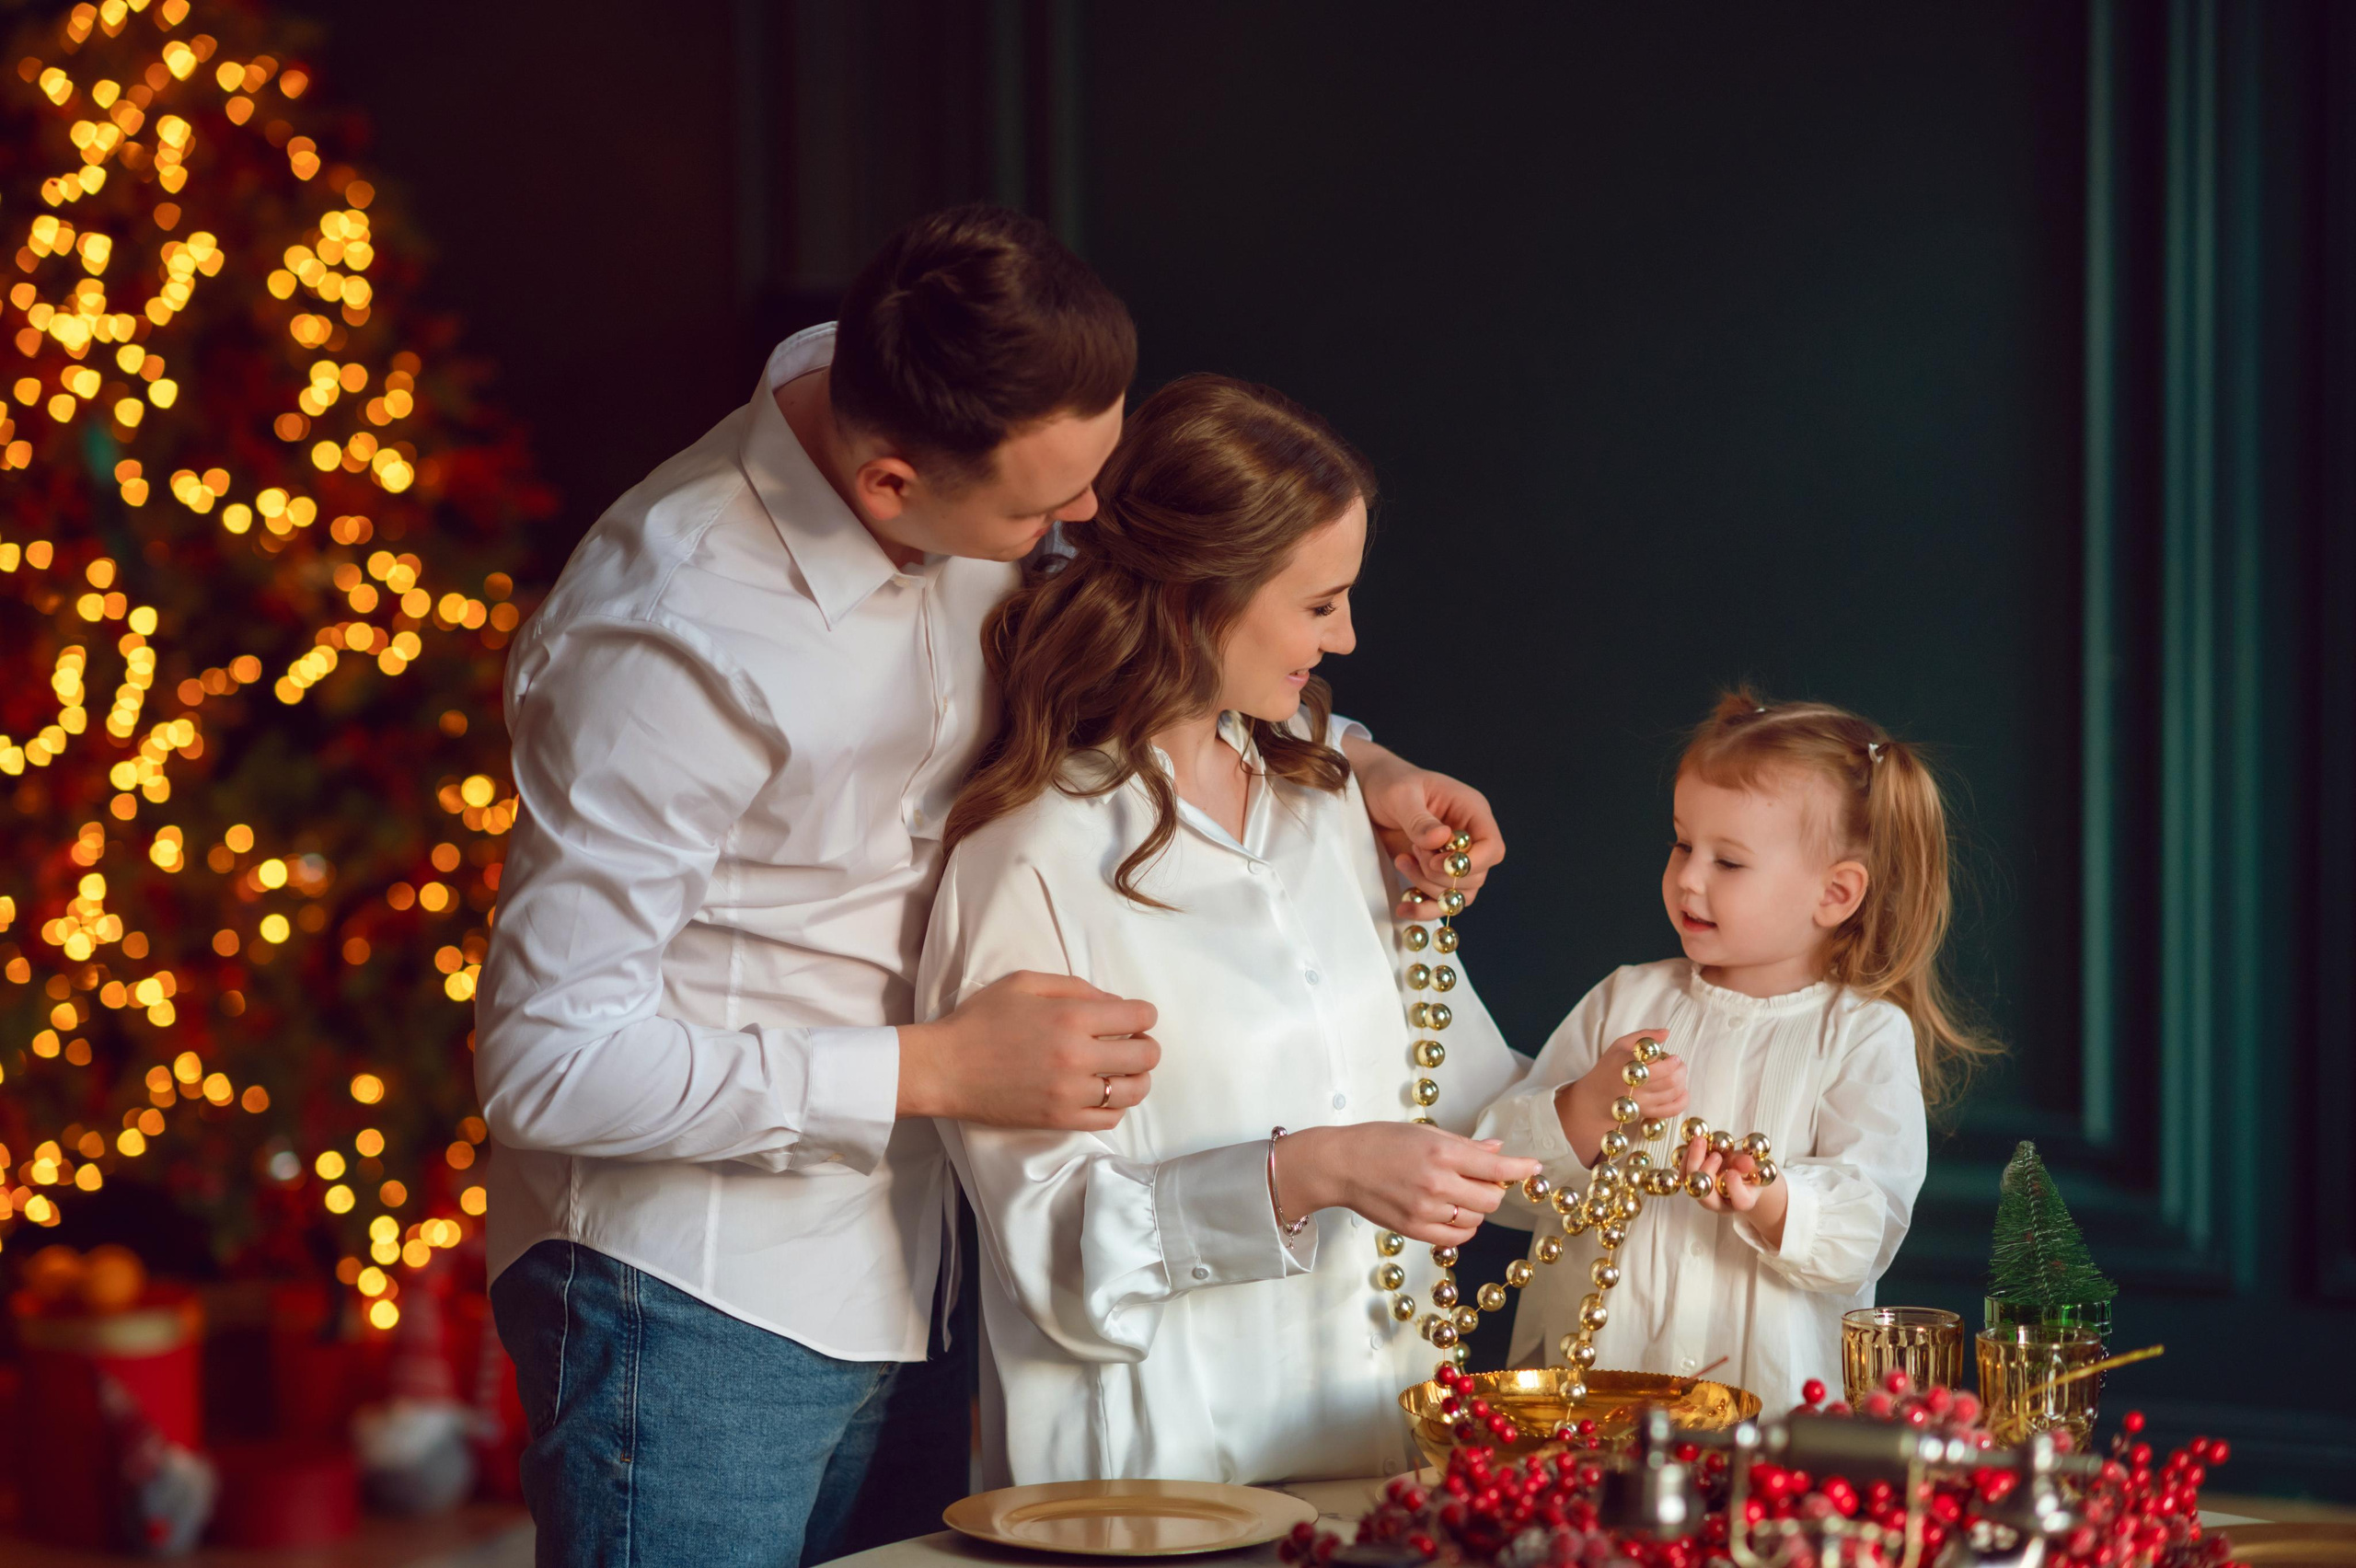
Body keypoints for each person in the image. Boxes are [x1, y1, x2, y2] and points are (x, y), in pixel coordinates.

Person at [477, 206, 1505, 1568]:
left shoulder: (958, 394)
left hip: (928, 1269)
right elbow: (547, 1066)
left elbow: (1156, 624)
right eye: (1042, 513)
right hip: (695, 1293)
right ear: (891, 483)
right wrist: (930, 1071)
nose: (1084, 526)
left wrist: (1360, 762)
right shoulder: (663, 642)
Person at [918, 374, 1537, 1490]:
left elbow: (1452, 1091)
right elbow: (1056, 1258)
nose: (1345, 635)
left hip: (1376, 1459)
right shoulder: (1030, 858)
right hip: (1160, 1486)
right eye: (1317, 604)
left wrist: (1607, 1109)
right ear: (1200, 593)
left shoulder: (1331, 804)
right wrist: (1310, 1172)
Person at [1479, 692, 1996, 1410]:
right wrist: (1584, 1108)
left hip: (1769, 1402)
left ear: (1835, 894)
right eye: (1683, 843)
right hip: (1589, 1395)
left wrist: (1771, 1200)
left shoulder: (1861, 1034)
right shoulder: (1625, 1002)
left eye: (1730, 861)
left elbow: (1864, 1226)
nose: (1689, 877)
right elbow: (1495, 1181)